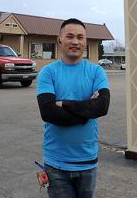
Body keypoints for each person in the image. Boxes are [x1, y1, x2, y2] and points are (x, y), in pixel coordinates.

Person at [36, 18, 110, 198]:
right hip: (56, 164)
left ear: (85, 41)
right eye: (69, 36)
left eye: (80, 37)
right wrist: (86, 112)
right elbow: (48, 113)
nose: (75, 42)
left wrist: (66, 104)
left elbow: (102, 106)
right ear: (59, 39)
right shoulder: (48, 72)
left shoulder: (96, 72)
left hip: (88, 162)